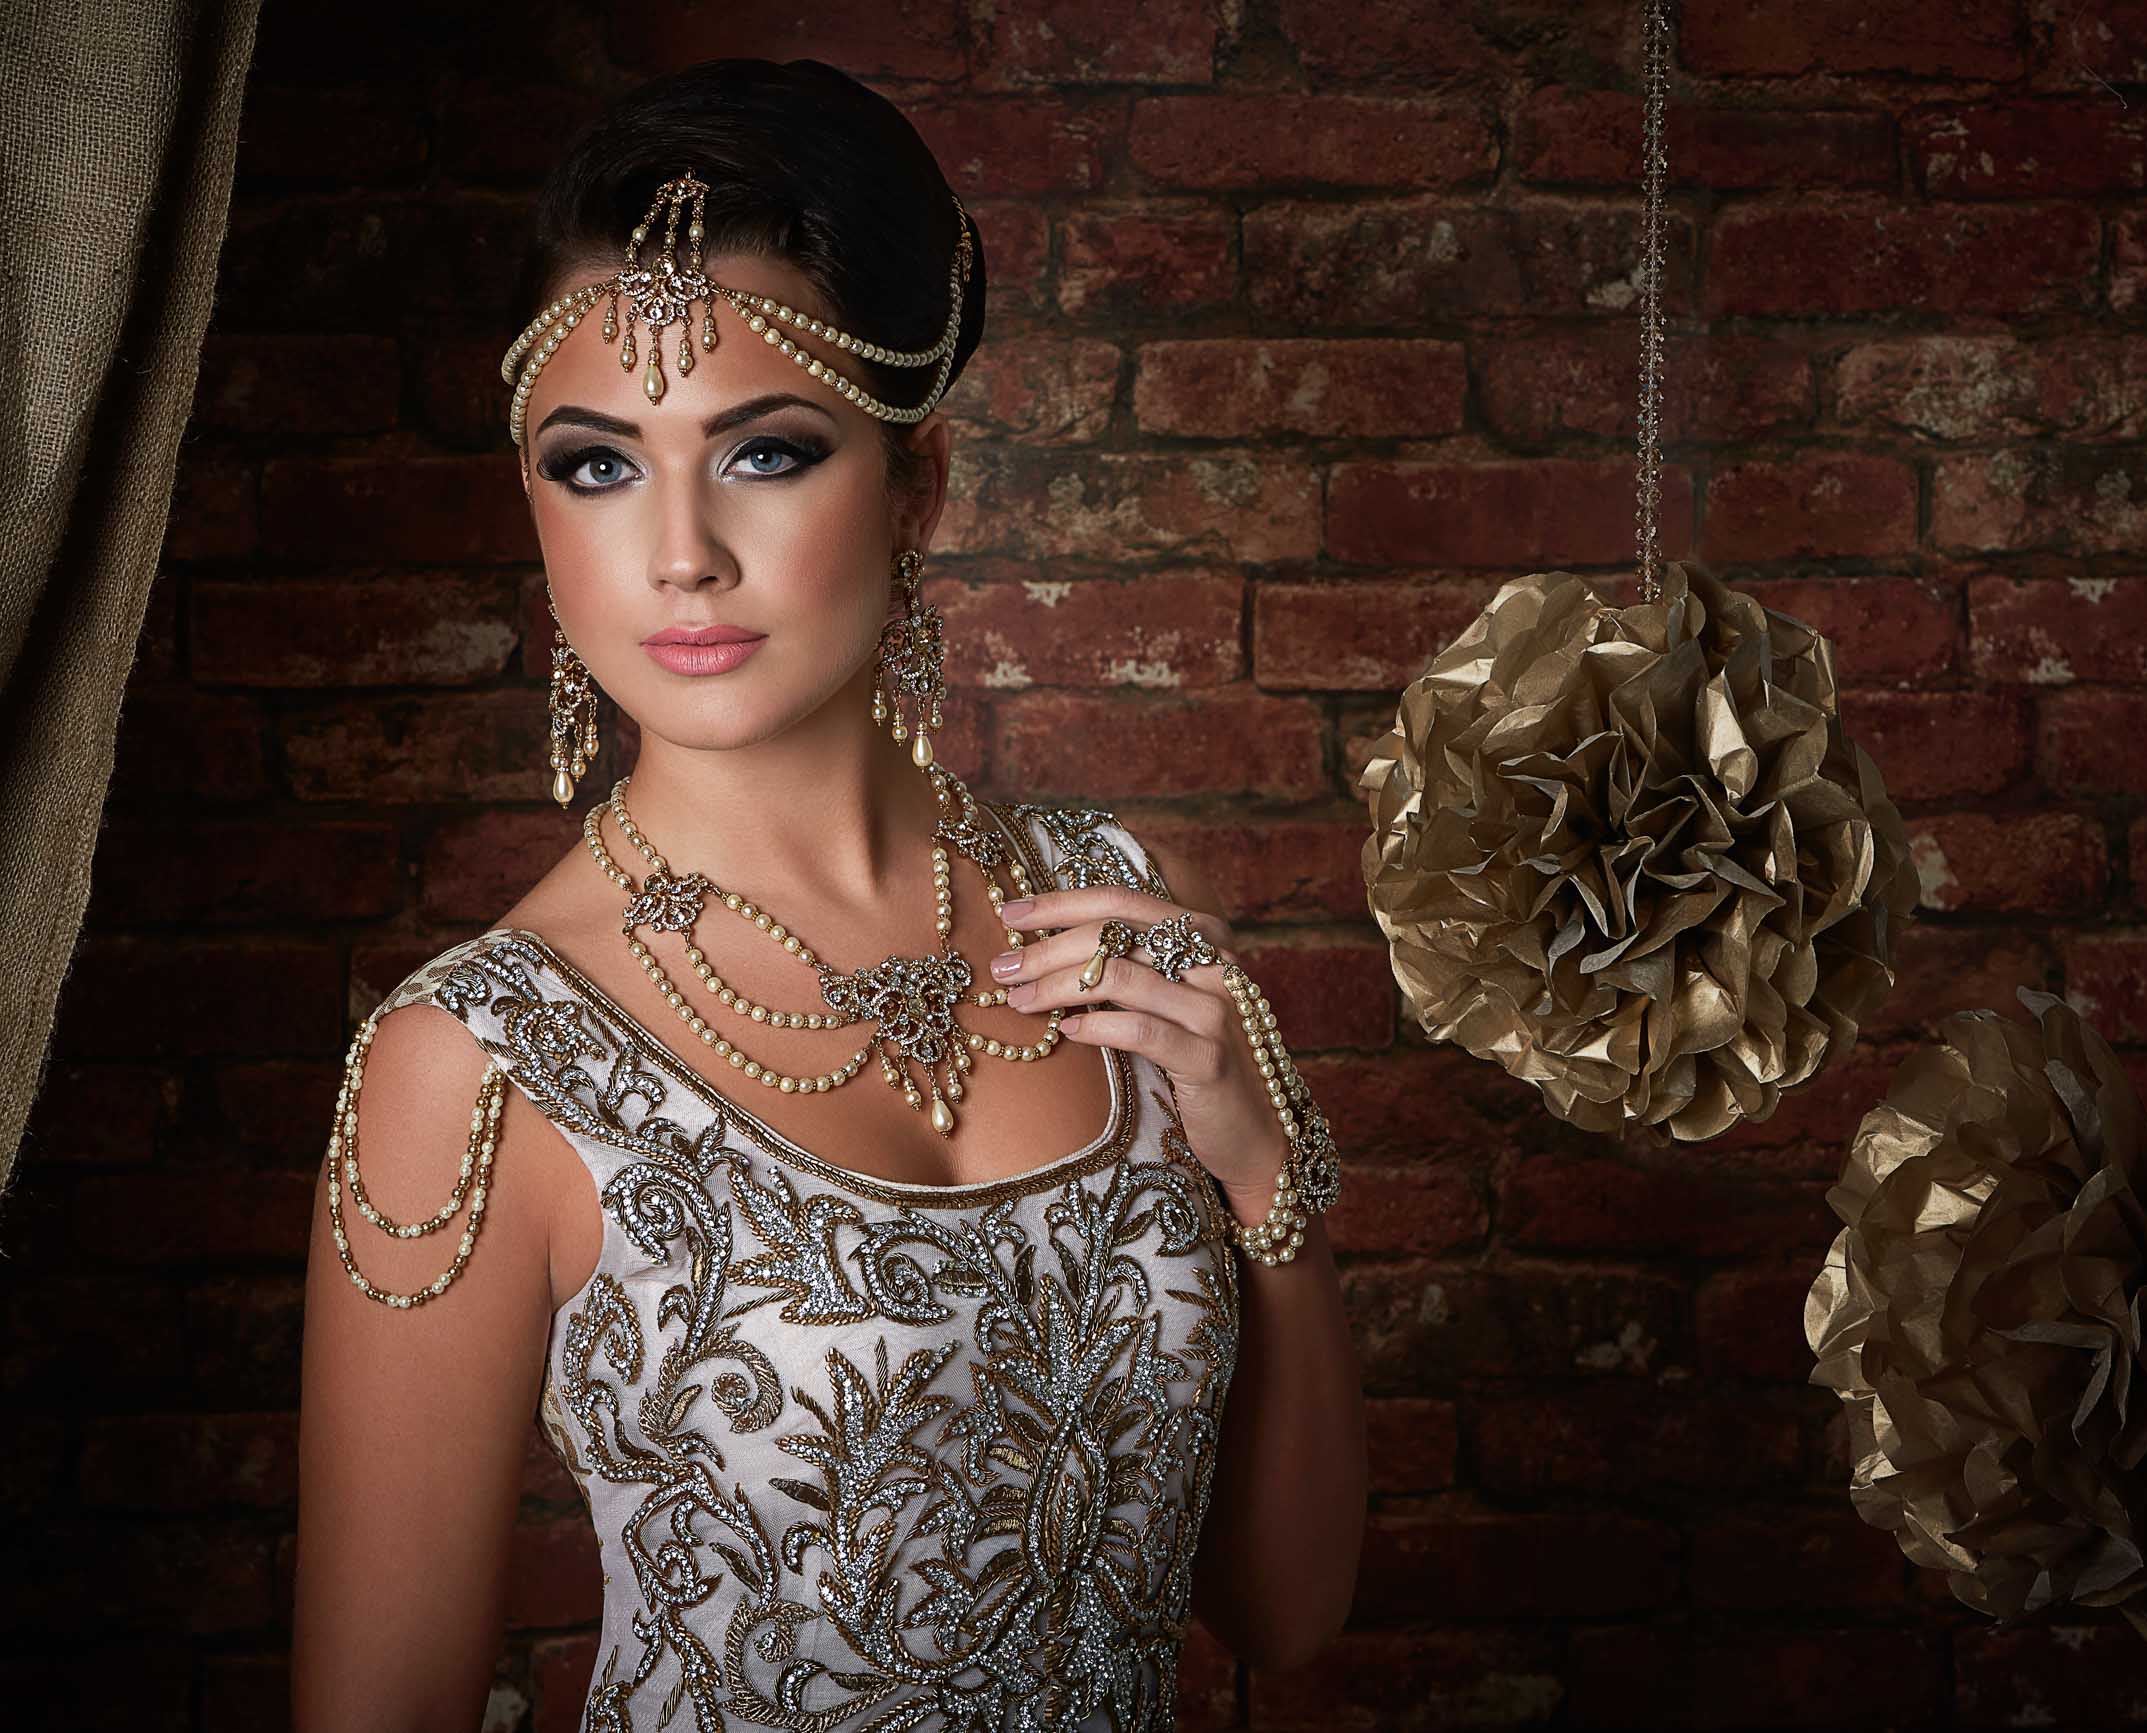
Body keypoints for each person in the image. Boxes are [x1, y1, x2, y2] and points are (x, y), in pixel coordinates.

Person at [291, 58, 1365, 1730]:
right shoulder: (472, 1064)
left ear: (915, 484)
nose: (680, 553)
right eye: (598, 466)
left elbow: (1286, 1612)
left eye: (767, 451)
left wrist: (1262, 1175)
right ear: (533, 502)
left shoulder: (1108, 909)